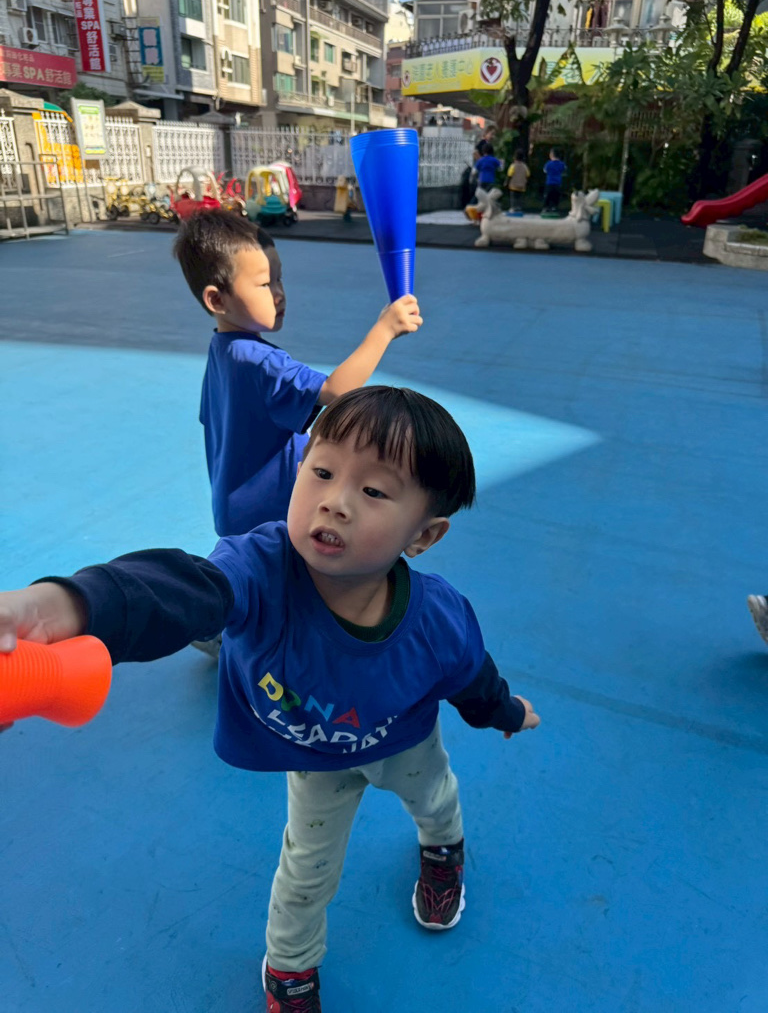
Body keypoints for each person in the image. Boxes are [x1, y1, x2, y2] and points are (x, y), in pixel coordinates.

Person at [0, 386, 541, 1013]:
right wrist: (66, 606)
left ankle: (444, 851)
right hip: (314, 761)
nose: (334, 501)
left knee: (436, 800)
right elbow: (181, 588)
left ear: (424, 535)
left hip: (402, 740)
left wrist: (505, 712)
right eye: (322, 471)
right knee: (306, 872)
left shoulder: (437, 619)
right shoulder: (258, 568)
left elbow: (473, 677)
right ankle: (290, 965)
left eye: (373, 491)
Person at [174, 210, 422, 541]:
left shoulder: (222, 350)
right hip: (273, 520)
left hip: (236, 516)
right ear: (217, 300)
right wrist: (385, 330)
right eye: (265, 284)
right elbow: (335, 390)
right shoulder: (261, 362)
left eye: (279, 279)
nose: (279, 293)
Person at [543, 147, 567, 213]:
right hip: (558, 183)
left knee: (548, 196)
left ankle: (546, 208)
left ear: (551, 155)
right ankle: (554, 207)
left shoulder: (548, 164)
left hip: (549, 182)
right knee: (556, 196)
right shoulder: (562, 164)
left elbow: (545, 171)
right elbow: (564, 169)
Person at [507, 149, 530, 214]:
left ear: (514, 157)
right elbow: (528, 175)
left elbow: (509, 175)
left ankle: (513, 208)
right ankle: (519, 207)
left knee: (513, 197)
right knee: (520, 197)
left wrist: (507, 183)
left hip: (513, 185)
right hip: (522, 186)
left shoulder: (513, 166)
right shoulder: (525, 166)